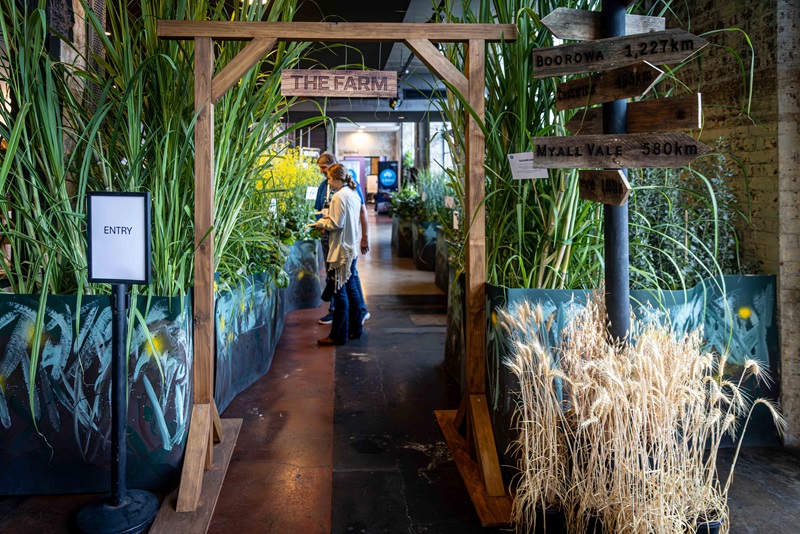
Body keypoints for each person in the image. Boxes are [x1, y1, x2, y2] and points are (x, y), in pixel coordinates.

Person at [314, 152, 370, 325]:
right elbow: (318, 210)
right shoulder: (324, 186)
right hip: (330, 238)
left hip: (342, 240)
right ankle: (338, 312)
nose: (323, 173)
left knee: (346, 277)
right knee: (335, 277)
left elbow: (360, 212)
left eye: (324, 169)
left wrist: (365, 236)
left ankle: (357, 312)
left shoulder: (347, 190)